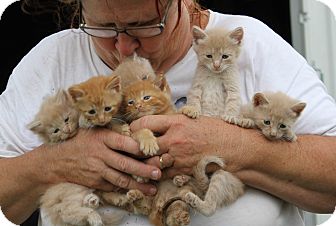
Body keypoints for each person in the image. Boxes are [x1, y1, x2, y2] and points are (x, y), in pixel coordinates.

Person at [0, 0, 335, 225]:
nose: (123, 46)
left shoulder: (248, 45)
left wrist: (230, 145)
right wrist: (56, 160)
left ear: (182, 4)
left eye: (143, 26)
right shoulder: (51, 60)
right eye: (102, 27)